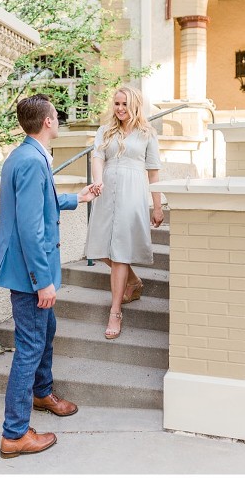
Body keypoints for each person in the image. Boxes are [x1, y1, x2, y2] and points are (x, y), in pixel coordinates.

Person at [0, 94, 97, 459]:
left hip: (28, 272)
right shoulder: (31, 161)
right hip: (30, 275)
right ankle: (15, 432)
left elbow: (37, 202)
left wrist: (76, 198)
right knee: (29, 348)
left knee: (44, 332)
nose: (58, 118)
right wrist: (43, 281)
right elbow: (30, 228)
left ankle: (41, 393)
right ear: (48, 122)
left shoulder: (27, 155)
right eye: (56, 114)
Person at [84, 86, 163, 340]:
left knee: (119, 251)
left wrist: (158, 205)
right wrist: (97, 182)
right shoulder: (104, 131)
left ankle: (115, 312)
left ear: (135, 105)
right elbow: (97, 157)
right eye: (116, 104)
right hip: (106, 191)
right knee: (99, 248)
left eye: (124, 104)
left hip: (132, 193)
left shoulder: (147, 134)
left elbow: (153, 171)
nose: (119, 109)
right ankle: (134, 281)